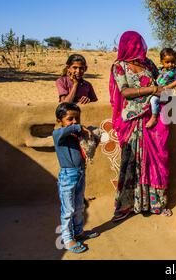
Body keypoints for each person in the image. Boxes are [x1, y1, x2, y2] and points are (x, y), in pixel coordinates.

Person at [110, 31, 173, 222]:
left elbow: (161, 79)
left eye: (140, 44)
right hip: (132, 119)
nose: (139, 48)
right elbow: (126, 92)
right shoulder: (119, 67)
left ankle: (156, 204)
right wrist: (152, 89)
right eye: (135, 44)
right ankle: (127, 205)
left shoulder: (148, 64)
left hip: (152, 117)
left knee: (154, 160)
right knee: (131, 162)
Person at [53, 102, 100, 254]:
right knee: (68, 209)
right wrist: (79, 127)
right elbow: (71, 129)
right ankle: (67, 239)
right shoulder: (58, 134)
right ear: (59, 121)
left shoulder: (75, 135)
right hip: (68, 176)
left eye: (77, 119)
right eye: (70, 118)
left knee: (79, 206)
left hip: (80, 173)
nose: (74, 121)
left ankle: (78, 232)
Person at [146, 48, 176, 129]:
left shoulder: (175, 70)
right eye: (167, 62)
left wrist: (167, 87)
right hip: (158, 89)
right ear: (161, 62)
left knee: (153, 100)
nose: (170, 64)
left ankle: (154, 117)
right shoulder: (160, 69)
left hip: (167, 92)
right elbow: (157, 77)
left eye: (173, 62)